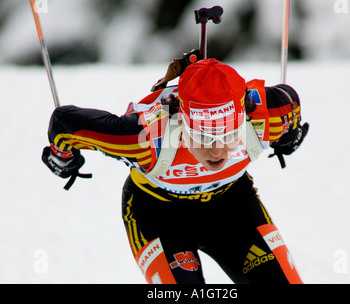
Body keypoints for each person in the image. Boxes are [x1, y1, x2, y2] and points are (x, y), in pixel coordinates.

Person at [42, 58, 309, 284]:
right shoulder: (146, 140)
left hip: (232, 210)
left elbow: (290, 101)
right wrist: (63, 156)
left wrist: (289, 136)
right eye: (202, 137)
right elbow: (65, 123)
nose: (216, 151)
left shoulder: (266, 117)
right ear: (182, 122)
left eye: (229, 135)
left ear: (243, 118)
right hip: (157, 215)